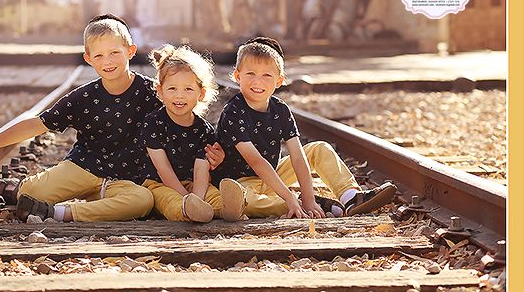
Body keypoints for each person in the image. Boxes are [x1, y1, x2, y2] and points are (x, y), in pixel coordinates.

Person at [0, 14, 158, 222]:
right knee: (30, 194)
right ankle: (19, 188)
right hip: (83, 168)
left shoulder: (153, 92)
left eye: (114, 53)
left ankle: (59, 213)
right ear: (88, 59)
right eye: (99, 56)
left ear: (130, 51)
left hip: (125, 181)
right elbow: (36, 124)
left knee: (143, 201)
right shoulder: (83, 98)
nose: (108, 61)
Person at [211, 36, 397, 219]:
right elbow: (257, 162)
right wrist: (290, 197)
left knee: (319, 149)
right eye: (250, 74)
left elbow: (298, 156)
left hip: (274, 174)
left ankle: (350, 197)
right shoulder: (233, 113)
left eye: (266, 75)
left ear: (279, 81)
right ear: (237, 76)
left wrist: (309, 196)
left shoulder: (281, 110)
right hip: (240, 182)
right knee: (246, 203)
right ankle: (297, 204)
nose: (258, 81)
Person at [137, 44, 246, 222]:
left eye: (188, 89)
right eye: (172, 89)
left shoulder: (204, 130)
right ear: (160, 91)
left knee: (212, 194)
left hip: (193, 183)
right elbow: (163, 168)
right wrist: (187, 198)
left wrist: (198, 196)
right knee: (171, 202)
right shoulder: (153, 123)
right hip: (159, 184)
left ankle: (225, 210)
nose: (179, 96)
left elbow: (201, 168)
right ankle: (188, 212)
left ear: (201, 93)